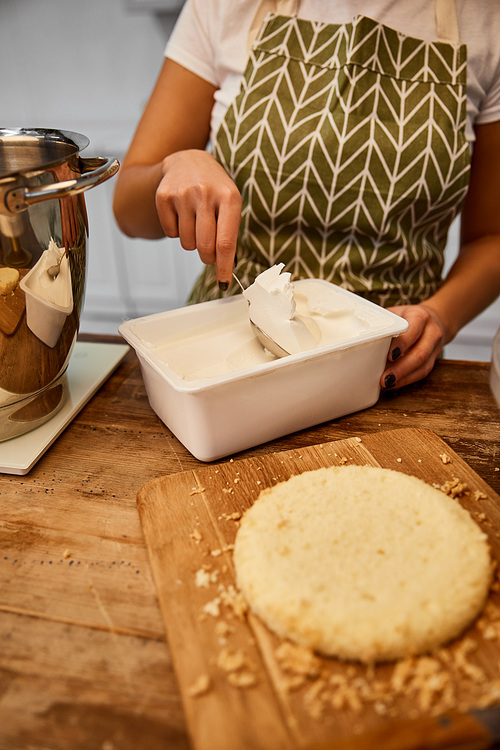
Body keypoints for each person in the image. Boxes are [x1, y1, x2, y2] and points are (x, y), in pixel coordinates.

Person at [113, 0, 500, 390]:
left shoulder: (486, 20)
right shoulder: (222, 6)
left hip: (386, 359)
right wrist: (175, 165)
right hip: (227, 347)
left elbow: (491, 237)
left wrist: (440, 316)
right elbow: (128, 211)